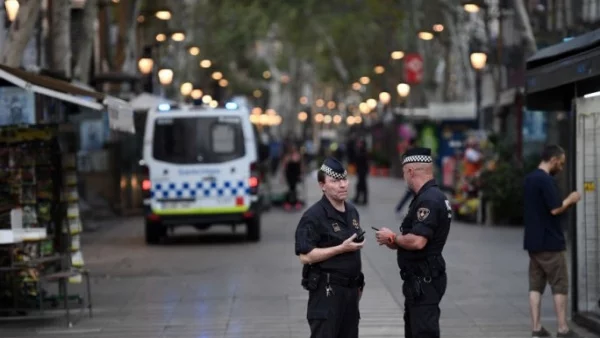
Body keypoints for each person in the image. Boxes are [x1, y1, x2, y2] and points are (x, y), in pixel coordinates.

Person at [375, 147, 452, 338]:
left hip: (425, 281)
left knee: (423, 332)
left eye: (403, 172)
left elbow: (417, 241)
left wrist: (393, 237)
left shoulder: (429, 200)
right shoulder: (427, 197)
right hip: (419, 281)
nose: (404, 177)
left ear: (410, 171)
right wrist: (394, 241)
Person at [294, 157, 366, 338]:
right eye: (335, 181)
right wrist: (340, 248)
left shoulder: (352, 211)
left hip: (350, 294)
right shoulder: (313, 216)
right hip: (327, 294)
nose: (342, 185)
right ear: (322, 185)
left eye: (344, 180)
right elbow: (305, 256)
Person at [523, 145, 581, 338]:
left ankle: (536, 328)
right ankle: (563, 328)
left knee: (535, 286)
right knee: (559, 284)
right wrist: (571, 199)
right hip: (550, 242)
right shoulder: (546, 181)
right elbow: (555, 209)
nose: (562, 168)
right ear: (554, 160)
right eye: (561, 163)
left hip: (533, 242)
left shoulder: (529, 179)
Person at [282, 144, 304, 210]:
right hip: (289, 174)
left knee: (293, 188)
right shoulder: (287, 156)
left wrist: (301, 173)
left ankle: (294, 202)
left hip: (296, 174)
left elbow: (300, 164)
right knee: (291, 188)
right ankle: (290, 202)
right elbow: (285, 165)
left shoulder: (297, 155)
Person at [353, 139, 369, 205]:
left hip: (362, 171)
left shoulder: (363, 152)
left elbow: (360, 160)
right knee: (360, 185)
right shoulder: (360, 151)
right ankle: (359, 198)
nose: (358, 145)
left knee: (362, 185)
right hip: (360, 170)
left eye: (360, 143)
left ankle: (362, 199)